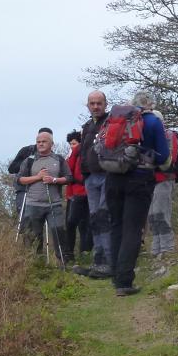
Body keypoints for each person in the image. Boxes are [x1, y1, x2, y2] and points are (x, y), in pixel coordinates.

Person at [106, 90, 169, 296]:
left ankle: (115, 276)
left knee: (116, 225)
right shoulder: (152, 121)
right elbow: (163, 156)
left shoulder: (118, 117)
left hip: (113, 176)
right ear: (151, 104)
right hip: (139, 179)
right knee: (133, 229)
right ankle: (124, 282)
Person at [74, 91, 112, 279]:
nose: (95, 106)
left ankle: (109, 263)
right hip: (90, 178)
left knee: (105, 218)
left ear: (105, 104)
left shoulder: (111, 123)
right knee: (95, 219)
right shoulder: (87, 126)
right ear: (87, 105)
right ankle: (99, 262)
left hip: (108, 175)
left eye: (99, 103)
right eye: (92, 103)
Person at [16, 130, 70, 264]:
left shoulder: (59, 159)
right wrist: (37, 177)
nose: (40, 144)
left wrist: (54, 180)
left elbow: (69, 178)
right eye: (38, 142)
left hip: (54, 203)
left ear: (52, 143)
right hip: (32, 203)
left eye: (44, 141)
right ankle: (35, 264)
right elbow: (19, 180)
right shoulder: (29, 161)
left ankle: (62, 263)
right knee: (33, 235)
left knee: (58, 232)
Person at [148, 110, 176, 259]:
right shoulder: (151, 136)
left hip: (165, 178)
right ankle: (156, 247)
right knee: (152, 215)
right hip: (151, 180)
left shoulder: (168, 136)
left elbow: (167, 159)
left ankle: (167, 248)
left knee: (161, 213)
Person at [8, 127, 53, 216]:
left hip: (41, 191)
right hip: (24, 189)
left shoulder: (53, 156)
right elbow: (12, 169)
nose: (42, 142)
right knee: (24, 216)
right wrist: (28, 164)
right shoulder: (27, 151)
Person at [63, 130, 92, 263]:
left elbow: (68, 170)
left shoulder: (77, 152)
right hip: (76, 193)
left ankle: (74, 255)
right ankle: (82, 254)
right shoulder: (85, 151)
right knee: (82, 224)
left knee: (73, 223)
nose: (71, 146)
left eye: (73, 143)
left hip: (78, 193)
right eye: (70, 144)